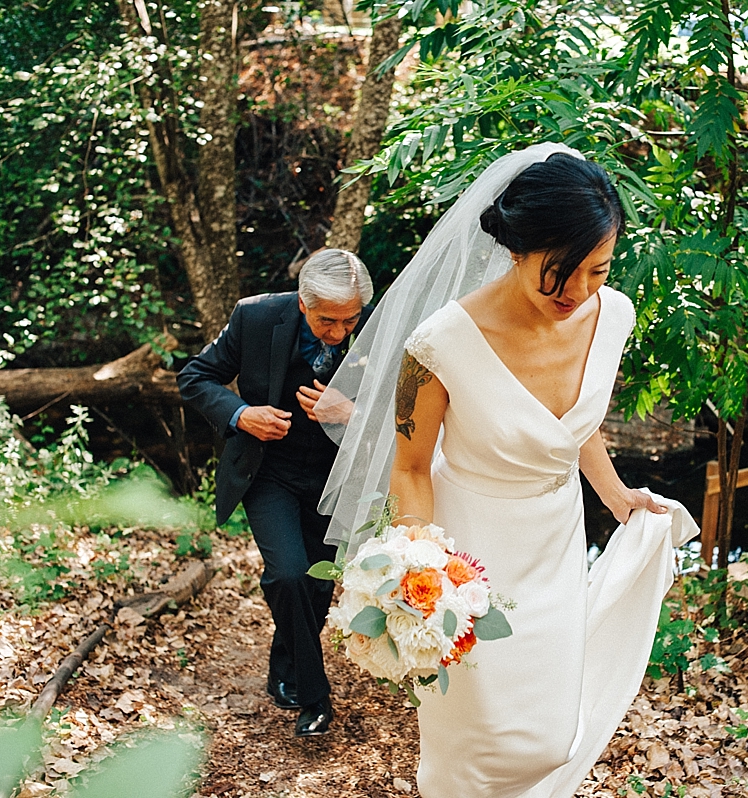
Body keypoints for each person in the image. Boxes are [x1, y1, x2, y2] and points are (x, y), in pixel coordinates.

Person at [316, 145, 698, 796]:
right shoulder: (439, 344)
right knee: (475, 740)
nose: (578, 293)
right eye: (560, 272)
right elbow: (410, 468)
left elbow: (572, 426)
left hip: (554, 540)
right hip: (470, 554)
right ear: (517, 247)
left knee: (550, 738)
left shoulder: (615, 316)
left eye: (598, 270)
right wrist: (423, 572)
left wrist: (613, 494)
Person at [177, 248, 373, 737]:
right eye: (329, 321)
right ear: (303, 304)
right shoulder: (255, 315)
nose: (339, 332)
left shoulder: (374, 327)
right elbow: (194, 377)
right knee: (287, 575)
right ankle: (315, 696)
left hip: (337, 475)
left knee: (319, 583)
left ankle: (284, 666)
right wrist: (243, 415)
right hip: (270, 472)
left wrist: (351, 411)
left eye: (350, 320)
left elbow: (402, 404)